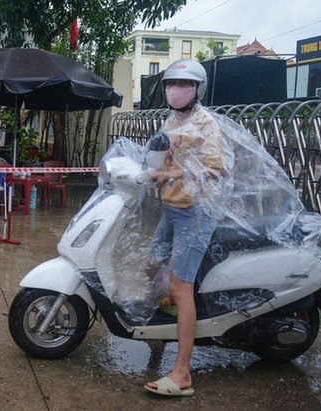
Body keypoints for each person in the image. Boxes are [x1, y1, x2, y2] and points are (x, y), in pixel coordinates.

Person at [143, 60, 225, 397]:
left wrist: (175, 175)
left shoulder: (205, 123)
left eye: (185, 84)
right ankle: (168, 327)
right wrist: (151, 168)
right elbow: (168, 157)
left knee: (179, 287)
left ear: (198, 89)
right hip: (171, 208)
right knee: (151, 265)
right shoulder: (173, 119)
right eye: (171, 84)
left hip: (195, 211)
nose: (176, 89)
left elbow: (216, 169)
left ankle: (183, 372)